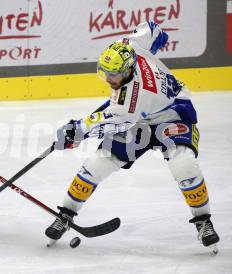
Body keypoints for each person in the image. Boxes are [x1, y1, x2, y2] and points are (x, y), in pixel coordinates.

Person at [45, 22, 220, 253]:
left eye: (114, 75)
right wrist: (158, 43)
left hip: (173, 115)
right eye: (105, 72)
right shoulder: (129, 45)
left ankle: (203, 220)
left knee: (184, 164)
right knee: (97, 163)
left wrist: (78, 130)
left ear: (128, 70)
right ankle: (66, 214)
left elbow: (110, 119)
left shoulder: (131, 101)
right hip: (139, 119)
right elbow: (152, 28)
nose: (108, 78)